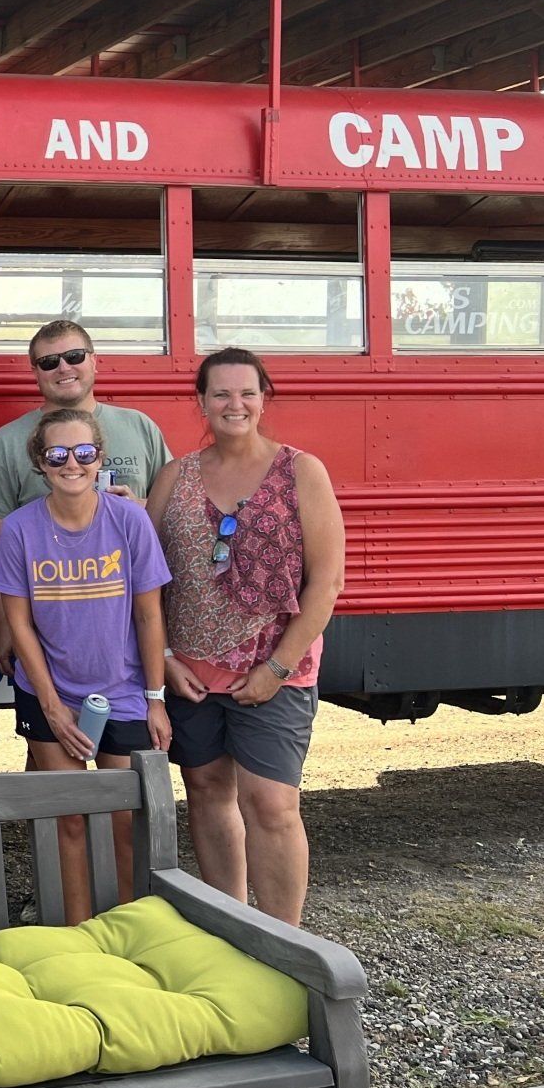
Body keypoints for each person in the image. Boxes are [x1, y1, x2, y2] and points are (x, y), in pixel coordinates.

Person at [147, 348, 345, 927]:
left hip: (275, 667)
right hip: (190, 669)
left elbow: (327, 580)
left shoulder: (300, 471)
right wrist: (160, 659)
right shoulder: (174, 476)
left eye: (247, 393)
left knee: (273, 805)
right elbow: (148, 579)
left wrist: (277, 668)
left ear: (264, 398)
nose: (235, 404)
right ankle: (231, 926)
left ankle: (286, 940)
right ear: (202, 402)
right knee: (207, 792)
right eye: (221, 394)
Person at [0, 407, 173, 925]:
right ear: (40, 464)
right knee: (68, 818)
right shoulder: (22, 529)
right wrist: (51, 706)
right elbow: (19, 624)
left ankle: (129, 928)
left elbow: (148, 611)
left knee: (122, 818)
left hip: (124, 690)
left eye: (84, 452)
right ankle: (77, 931)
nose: (73, 463)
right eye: (58, 454)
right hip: (51, 693)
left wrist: (156, 700)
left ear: (100, 459)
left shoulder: (129, 519)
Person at [0, 320, 174, 680]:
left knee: (135, 729)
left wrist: (138, 508)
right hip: (49, 626)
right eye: (49, 362)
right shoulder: (8, 440)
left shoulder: (139, 427)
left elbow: (175, 511)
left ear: (95, 361)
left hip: (131, 619)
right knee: (50, 725)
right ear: (35, 373)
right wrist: (2, 620)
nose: (63, 367)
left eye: (74, 356)